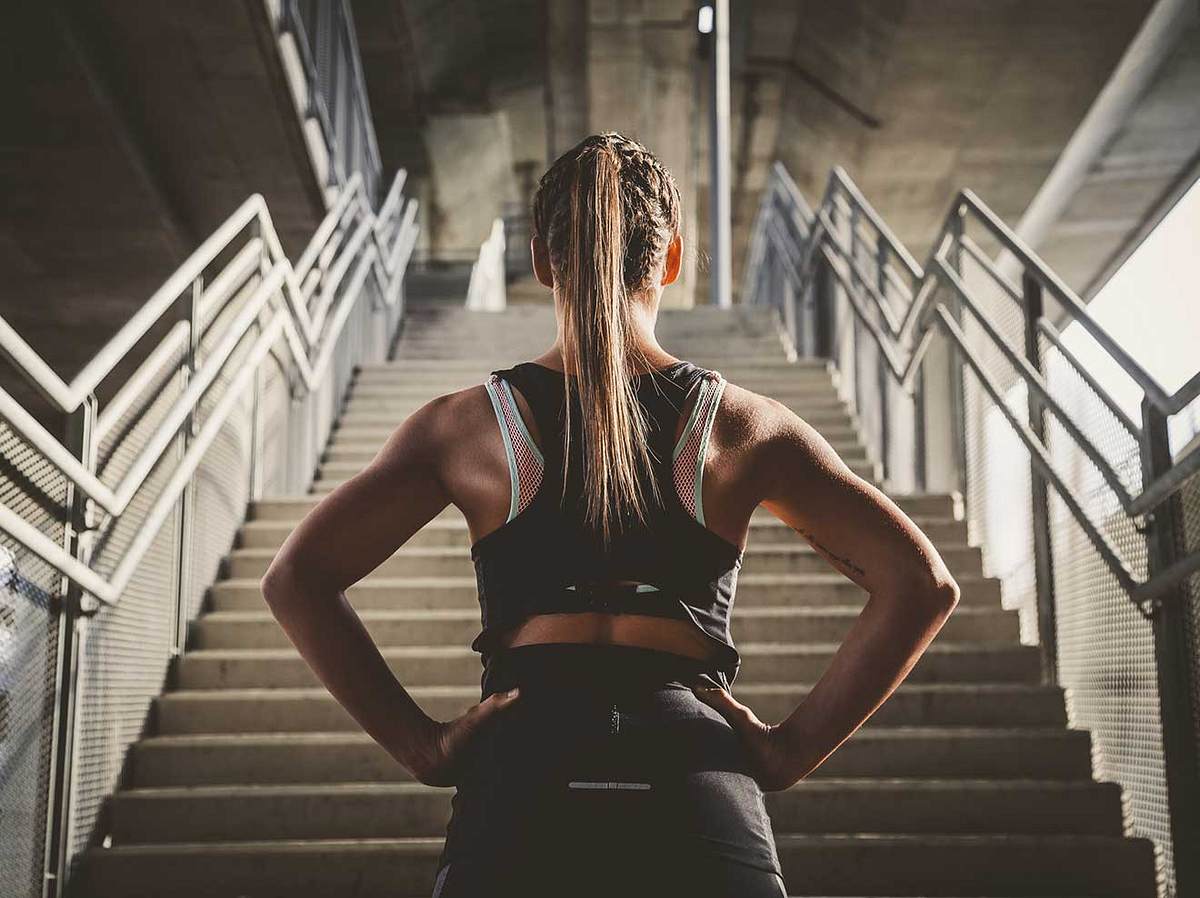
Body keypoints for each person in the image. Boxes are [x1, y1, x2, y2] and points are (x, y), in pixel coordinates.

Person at [260, 132, 961, 897]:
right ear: (670, 261)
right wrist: (789, 751)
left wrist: (422, 748)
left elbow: (296, 578)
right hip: (694, 772)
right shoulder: (743, 426)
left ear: (542, 260)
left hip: (521, 769)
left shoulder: (464, 429)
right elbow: (920, 583)